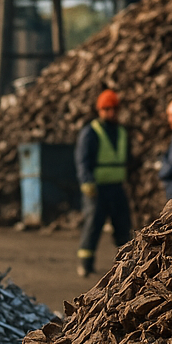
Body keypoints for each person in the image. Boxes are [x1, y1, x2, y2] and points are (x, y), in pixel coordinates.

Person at [75, 89, 131, 277]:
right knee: (92, 226)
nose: (112, 113)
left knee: (123, 227)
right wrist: (86, 181)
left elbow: (128, 158)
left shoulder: (122, 132)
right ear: (100, 110)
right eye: (108, 109)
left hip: (116, 187)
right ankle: (86, 264)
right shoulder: (91, 132)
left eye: (115, 109)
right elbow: (82, 159)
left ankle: (126, 264)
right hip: (97, 189)